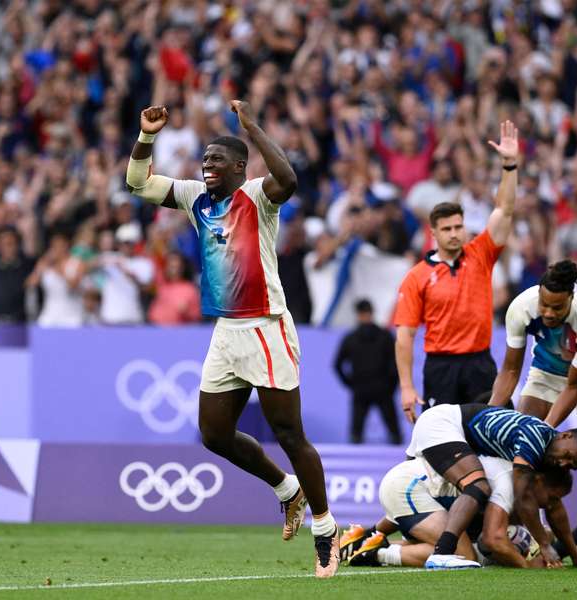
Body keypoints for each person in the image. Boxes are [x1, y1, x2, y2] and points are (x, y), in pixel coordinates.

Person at [126, 102, 340, 577]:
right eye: (203, 161)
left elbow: (289, 180)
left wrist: (254, 129)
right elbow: (138, 184)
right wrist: (145, 136)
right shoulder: (194, 198)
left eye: (215, 161)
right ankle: (287, 490)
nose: (206, 167)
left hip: (267, 327)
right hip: (227, 330)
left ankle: (326, 529)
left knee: (289, 432)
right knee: (214, 434)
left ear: (240, 167)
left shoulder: (258, 196)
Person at [488, 260, 577, 567]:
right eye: (544, 304)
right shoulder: (521, 307)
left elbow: (574, 387)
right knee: (520, 453)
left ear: (570, 298)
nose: (548, 313)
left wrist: (544, 429)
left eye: (557, 308)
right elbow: (511, 369)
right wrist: (491, 413)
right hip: (543, 373)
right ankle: (525, 536)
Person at [393, 121, 518, 423]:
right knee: (440, 443)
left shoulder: (481, 255)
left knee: (498, 432)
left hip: (480, 363)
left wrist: (510, 166)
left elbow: (504, 210)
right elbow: (405, 336)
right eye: (446, 229)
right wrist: (407, 387)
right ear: (433, 233)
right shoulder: (417, 276)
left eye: (458, 227)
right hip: (440, 368)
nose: (454, 234)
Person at [406, 402, 577, 569]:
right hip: (442, 424)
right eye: (568, 456)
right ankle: (443, 552)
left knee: (461, 489)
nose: (564, 464)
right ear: (565, 435)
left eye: (572, 466)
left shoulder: (550, 453)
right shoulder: (535, 438)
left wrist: (575, 556)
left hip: (451, 432)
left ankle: (380, 539)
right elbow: (523, 497)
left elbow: (553, 504)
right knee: (477, 487)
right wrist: (545, 546)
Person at [344, 456, 572, 569]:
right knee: (463, 556)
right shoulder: (509, 482)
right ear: (539, 481)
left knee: (450, 543)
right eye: (552, 498)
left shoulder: (519, 482)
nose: (551, 505)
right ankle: (376, 554)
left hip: (411, 483)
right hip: (411, 486)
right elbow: (493, 540)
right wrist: (525, 565)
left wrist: (372, 531)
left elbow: (540, 531)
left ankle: (362, 542)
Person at [333, 299, 401, 445]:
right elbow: (396, 364)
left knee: (358, 434)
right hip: (379, 389)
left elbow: (337, 365)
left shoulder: (351, 338)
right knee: (391, 432)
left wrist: (351, 383)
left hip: (364, 389)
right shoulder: (385, 336)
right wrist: (391, 385)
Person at [97, 222, 154, 325]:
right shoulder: (110, 257)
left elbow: (146, 289)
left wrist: (125, 271)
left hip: (132, 317)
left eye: (130, 243)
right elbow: (88, 265)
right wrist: (102, 260)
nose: (126, 246)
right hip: (110, 318)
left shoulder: (144, 263)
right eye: (123, 243)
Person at [26, 232, 86, 327]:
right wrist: (41, 266)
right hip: (49, 315)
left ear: (67, 246)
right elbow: (30, 284)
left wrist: (58, 270)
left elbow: (73, 286)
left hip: (71, 316)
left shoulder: (77, 263)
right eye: (54, 246)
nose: (56, 249)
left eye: (60, 246)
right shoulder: (46, 263)